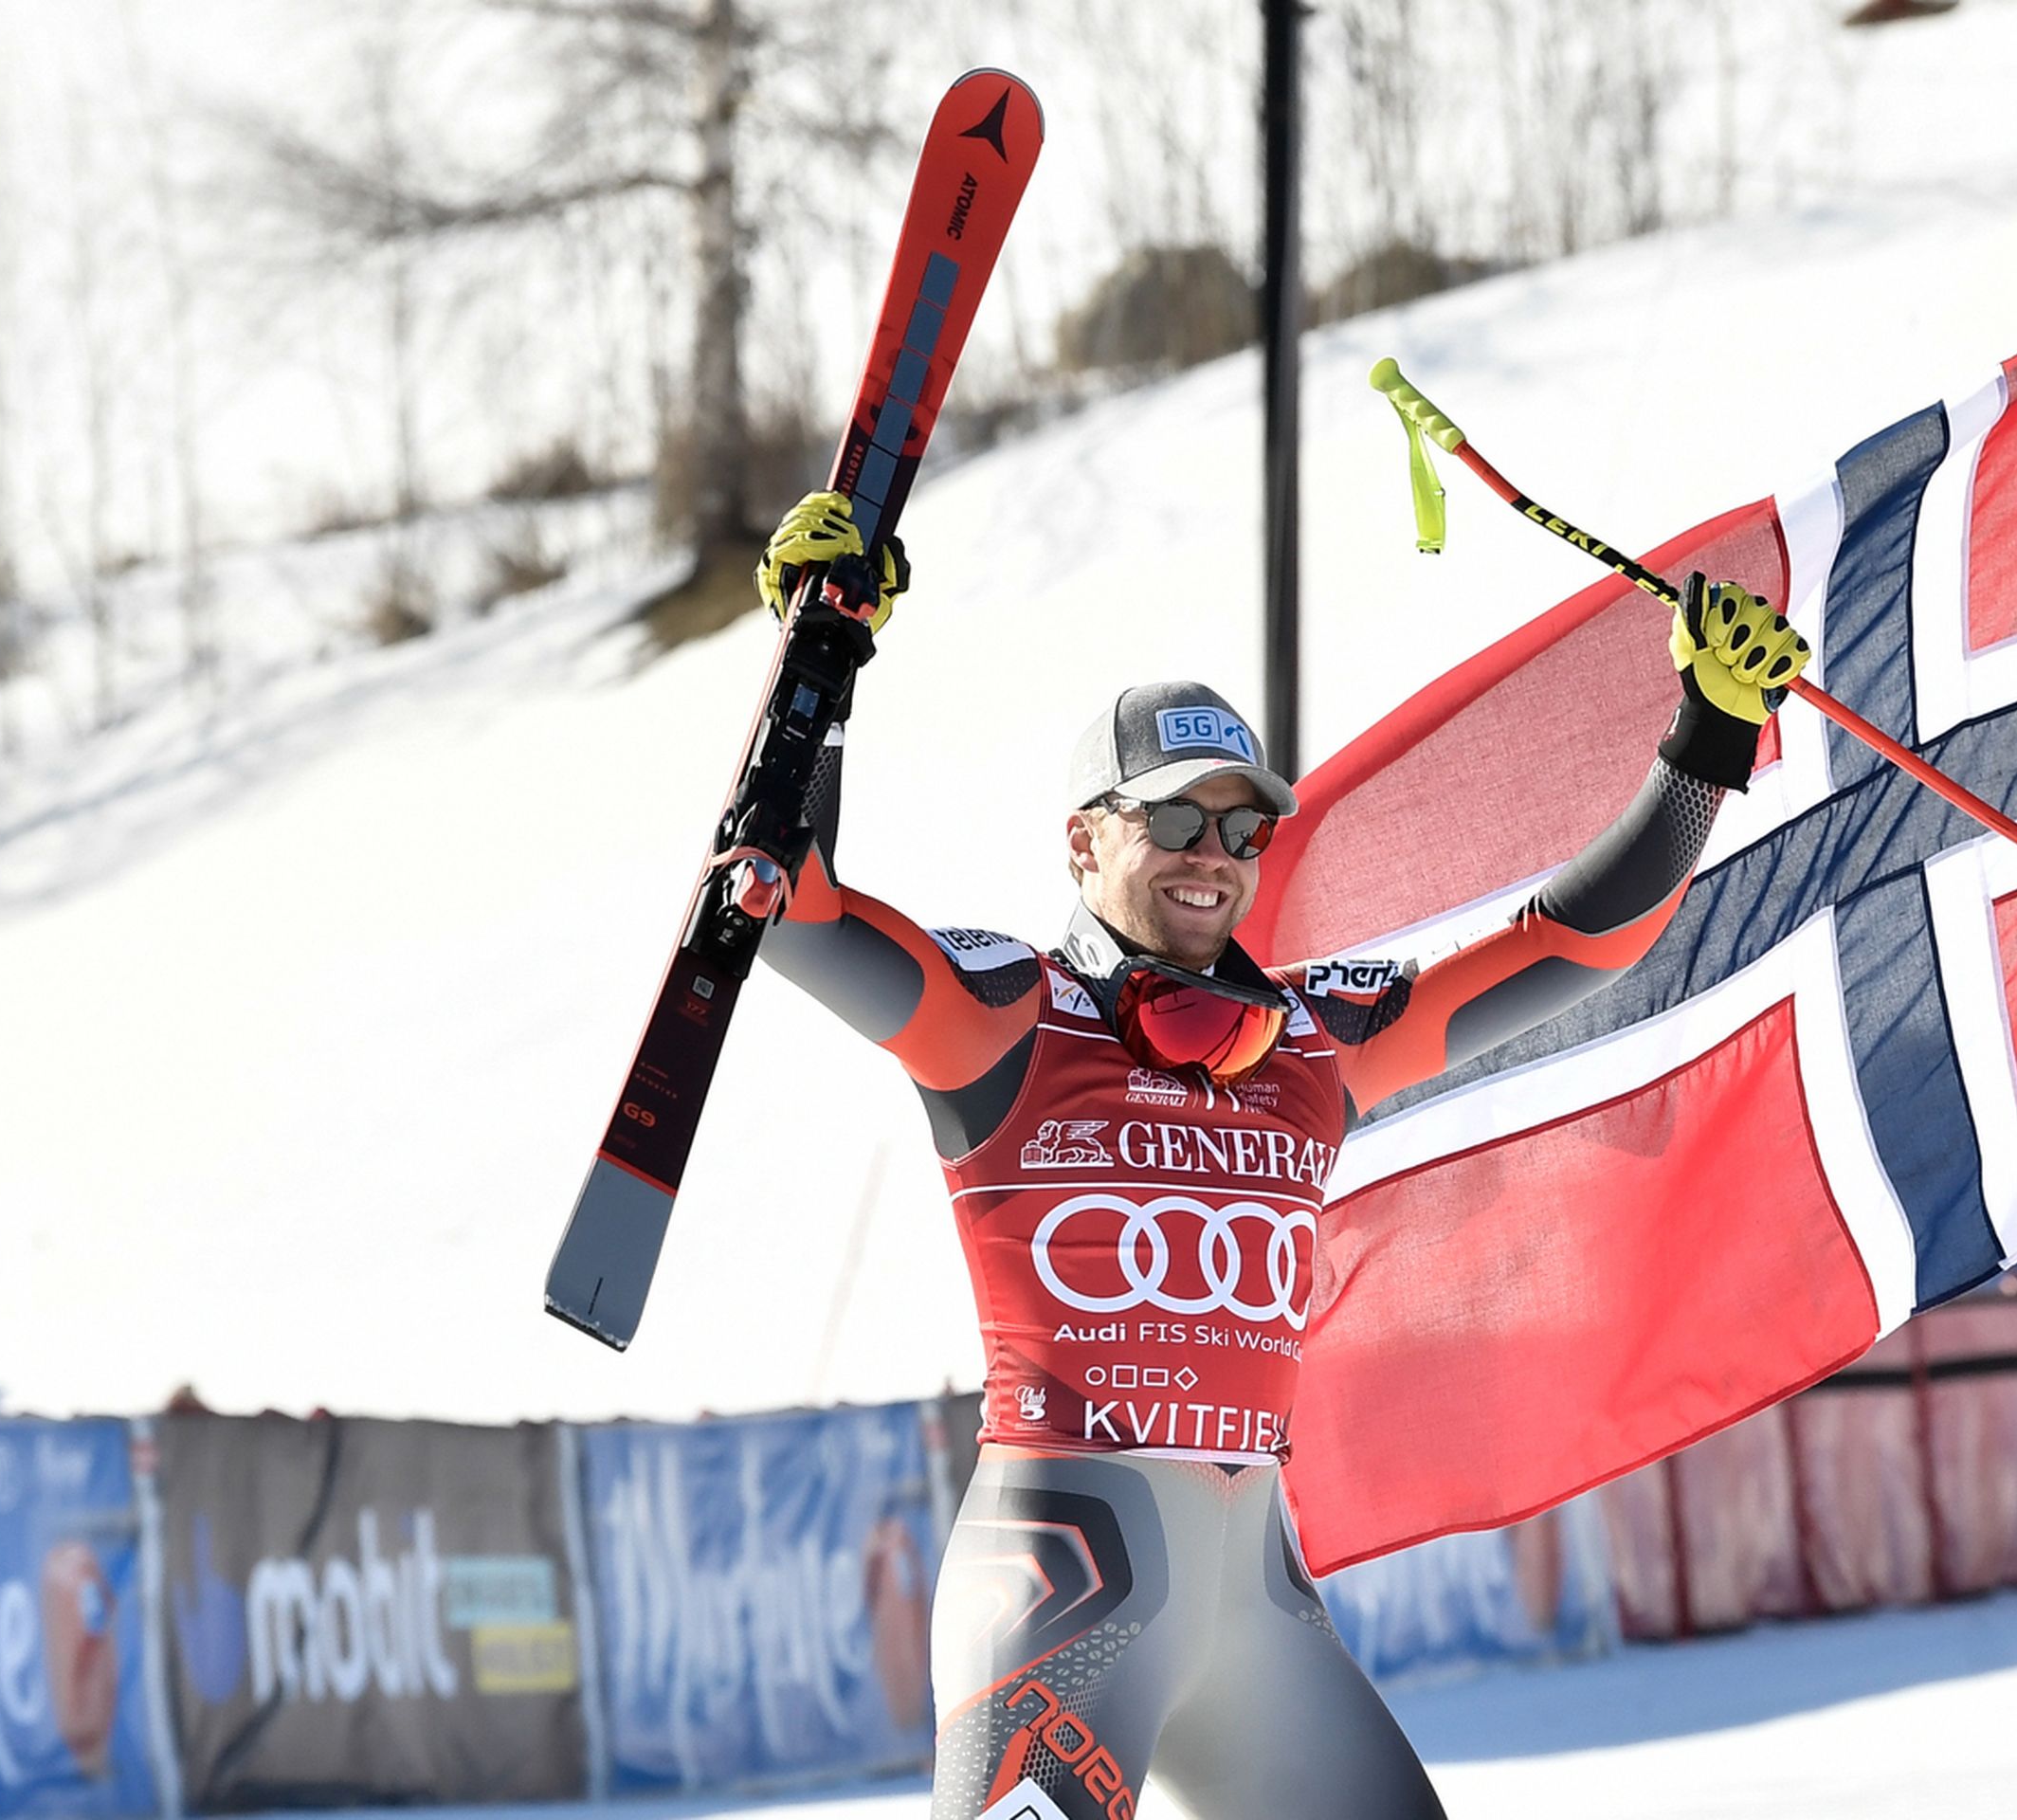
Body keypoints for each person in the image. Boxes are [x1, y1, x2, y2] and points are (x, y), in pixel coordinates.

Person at [750, 490, 1807, 1820]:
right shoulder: (1004, 1015)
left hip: (1257, 1608)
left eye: (1245, 830)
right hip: (1066, 1591)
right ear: (1084, 840)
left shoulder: (1311, 1040)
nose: (1218, 859)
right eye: (1177, 823)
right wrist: (819, 652)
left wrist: (1707, 740)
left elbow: (1572, 947)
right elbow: (784, 907)